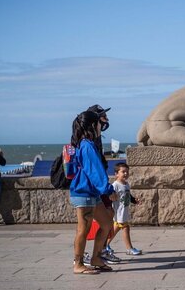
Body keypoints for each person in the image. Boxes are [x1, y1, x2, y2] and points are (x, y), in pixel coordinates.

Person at [69, 111, 117, 275]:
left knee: (106, 223)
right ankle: (78, 263)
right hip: (84, 193)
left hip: (91, 193)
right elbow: (95, 171)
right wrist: (108, 190)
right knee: (83, 228)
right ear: (92, 125)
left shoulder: (85, 144)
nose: (100, 127)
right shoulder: (87, 146)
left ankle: (96, 258)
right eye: (98, 124)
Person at [86, 104, 121, 264]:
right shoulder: (88, 139)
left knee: (108, 216)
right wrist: (106, 189)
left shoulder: (97, 137)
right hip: (93, 187)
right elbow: (93, 168)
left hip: (100, 185)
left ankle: (101, 250)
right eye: (103, 116)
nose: (106, 119)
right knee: (86, 225)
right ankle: (85, 256)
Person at [106, 163, 143, 255]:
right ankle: (129, 248)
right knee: (125, 228)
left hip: (124, 210)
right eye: (123, 172)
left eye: (127, 171)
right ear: (116, 174)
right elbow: (109, 197)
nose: (125, 173)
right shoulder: (115, 185)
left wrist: (134, 200)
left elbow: (128, 196)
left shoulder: (126, 184)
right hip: (118, 211)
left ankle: (105, 245)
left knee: (116, 229)